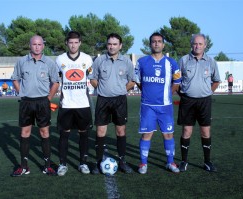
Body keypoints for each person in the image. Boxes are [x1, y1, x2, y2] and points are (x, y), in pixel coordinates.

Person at [10, 35, 60, 176]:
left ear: (43, 46)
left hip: (43, 102)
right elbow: (15, 79)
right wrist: (22, 93)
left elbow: (56, 82)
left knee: (44, 132)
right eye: (34, 44)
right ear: (30, 45)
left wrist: (49, 98)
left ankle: (47, 166)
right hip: (26, 102)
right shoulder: (21, 62)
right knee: (25, 133)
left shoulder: (49, 63)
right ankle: (24, 166)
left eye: (39, 44)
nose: (37, 47)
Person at [134, 32, 181, 174]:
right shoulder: (142, 62)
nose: (156, 43)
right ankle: (143, 164)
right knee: (147, 134)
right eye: (154, 41)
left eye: (159, 41)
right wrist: (148, 93)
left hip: (165, 107)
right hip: (147, 106)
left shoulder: (172, 62)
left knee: (168, 134)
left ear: (163, 44)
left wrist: (166, 95)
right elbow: (137, 80)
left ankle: (170, 162)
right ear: (150, 44)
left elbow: (177, 83)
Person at [89, 33, 136, 174]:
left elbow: (132, 81)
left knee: (120, 130)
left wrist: (121, 90)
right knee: (100, 131)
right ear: (106, 45)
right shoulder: (99, 61)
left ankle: (122, 162)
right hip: (103, 100)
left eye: (115, 44)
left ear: (120, 46)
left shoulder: (127, 62)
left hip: (120, 100)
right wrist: (103, 89)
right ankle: (98, 162)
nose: (112, 46)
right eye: (109, 43)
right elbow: (93, 79)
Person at [177, 33, 221, 172]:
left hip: (204, 102)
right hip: (187, 101)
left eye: (200, 44)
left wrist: (208, 92)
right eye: (195, 43)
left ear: (205, 45)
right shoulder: (183, 60)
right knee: (186, 130)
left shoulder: (211, 61)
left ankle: (207, 162)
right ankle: (184, 161)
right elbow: (177, 81)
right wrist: (183, 94)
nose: (197, 46)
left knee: (205, 131)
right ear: (191, 44)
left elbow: (216, 80)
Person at [55, 31, 93, 176]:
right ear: (66, 43)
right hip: (66, 104)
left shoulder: (87, 59)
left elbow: (93, 77)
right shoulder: (59, 60)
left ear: (80, 43)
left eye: (76, 42)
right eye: (70, 42)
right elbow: (55, 79)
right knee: (64, 135)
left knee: (84, 135)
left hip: (83, 104)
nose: (73, 45)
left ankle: (83, 163)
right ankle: (62, 164)